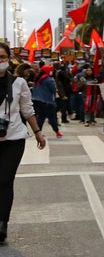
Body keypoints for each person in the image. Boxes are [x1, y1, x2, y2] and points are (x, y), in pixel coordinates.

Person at [0, 43, 47, 245]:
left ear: (9, 59)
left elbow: (27, 109)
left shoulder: (19, 83)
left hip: (13, 139)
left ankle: (2, 223)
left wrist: (38, 133)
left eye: (2, 57)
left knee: (4, 180)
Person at [31, 66, 62, 139]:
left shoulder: (38, 78)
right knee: (52, 117)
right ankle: (57, 132)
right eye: (51, 70)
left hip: (38, 101)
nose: (52, 71)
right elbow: (53, 90)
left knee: (41, 117)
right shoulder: (49, 79)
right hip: (48, 101)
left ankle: (38, 132)